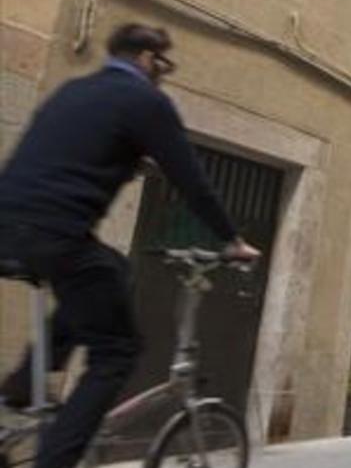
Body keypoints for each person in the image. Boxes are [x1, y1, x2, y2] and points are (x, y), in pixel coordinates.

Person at [0, 23, 260, 468]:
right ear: (145, 58)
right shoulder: (146, 100)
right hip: (57, 234)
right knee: (117, 351)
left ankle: (25, 385)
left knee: (110, 270)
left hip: (12, 228)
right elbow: (192, 181)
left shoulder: (74, 91)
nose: (163, 73)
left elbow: (58, 159)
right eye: (162, 64)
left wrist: (123, 164)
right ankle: (55, 458)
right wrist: (232, 240)